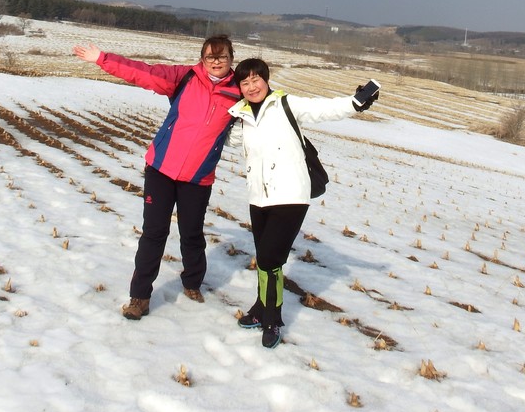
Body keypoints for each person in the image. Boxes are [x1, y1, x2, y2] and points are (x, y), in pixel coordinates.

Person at [73, 35, 241, 320]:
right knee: (154, 233)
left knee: (192, 234)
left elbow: (268, 104)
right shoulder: (185, 77)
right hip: (161, 169)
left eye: (222, 57)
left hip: (198, 177)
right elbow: (143, 73)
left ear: (231, 59)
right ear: (202, 58)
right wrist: (103, 59)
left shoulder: (238, 90)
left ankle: (192, 283)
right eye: (210, 56)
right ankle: (139, 297)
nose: (216, 62)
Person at [227, 58, 378, 349]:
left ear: (267, 80)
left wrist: (355, 103)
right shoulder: (241, 117)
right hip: (258, 196)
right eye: (244, 82)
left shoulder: (286, 104)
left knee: (271, 258)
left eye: (256, 79)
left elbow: (324, 109)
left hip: (291, 194)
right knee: (265, 258)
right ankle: (260, 308)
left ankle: (272, 319)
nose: (251, 86)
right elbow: (221, 139)